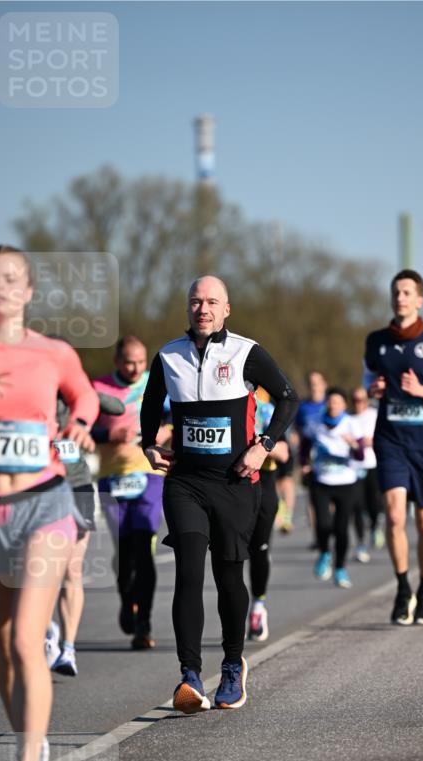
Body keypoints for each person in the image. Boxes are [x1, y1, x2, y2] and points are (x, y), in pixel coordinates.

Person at [0, 245, 99, 761]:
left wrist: (82, 423)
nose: (0, 286)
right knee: (2, 649)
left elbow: (85, 394)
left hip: (43, 503)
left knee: (27, 640)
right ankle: (32, 738)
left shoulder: (54, 352)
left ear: (29, 290)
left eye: (11, 278)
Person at [140, 275, 298, 713]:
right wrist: (148, 444)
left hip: (234, 483)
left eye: (211, 302)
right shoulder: (168, 355)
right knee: (188, 571)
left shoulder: (246, 352)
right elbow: (151, 403)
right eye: (195, 301)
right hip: (186, 482)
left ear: (226, 308)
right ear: (187, 307)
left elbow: (288, 397)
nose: (202, 309)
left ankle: (232, 664)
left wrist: (262, 446)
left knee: (229, 578)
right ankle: (189, 676)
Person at [363, 269, 423, 626]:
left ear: (419, 300)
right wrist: (372, 390)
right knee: (393, 515)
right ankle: (403, 588)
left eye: (406, 292)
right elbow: (367, 377)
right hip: (390, 441)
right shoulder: (376, 340)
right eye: (395, 291)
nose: (400, 297)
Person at [91, 338, 172, 650]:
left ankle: (144, 624)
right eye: (128, 362)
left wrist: (167, 430)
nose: (135, 368)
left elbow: (175, 414)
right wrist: (108, 434)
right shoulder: (97, 388)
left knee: (143, 544)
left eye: (140, 362)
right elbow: (78, 426)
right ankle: (127, 597)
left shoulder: (158, 383)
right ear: (116, 361)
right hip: (112, 476)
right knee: (124, 550)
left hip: (149, 474)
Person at [45, 391, 125, 676]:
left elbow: (116, 406)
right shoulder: (20, 386)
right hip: (34, 488)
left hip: (76, 486)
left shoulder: (69, 389)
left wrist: (83, 392)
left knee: (71, 570)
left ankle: (67, 649)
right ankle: (46, 628)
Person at [301, 387, 363, 588]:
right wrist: (304, 463)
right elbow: (305, 445)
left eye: (338, 402)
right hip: (321, 482)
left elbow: (361, 455)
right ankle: (324, 553)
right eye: (331, 402)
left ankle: (340, 569)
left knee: (342, 528)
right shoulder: (316, 423)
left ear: (344, 405)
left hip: (346, 482)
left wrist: (353, 444)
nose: (334, 406)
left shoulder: (351, 424)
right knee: (323, 524)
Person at [248, 388, 290, 641]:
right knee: (230, 554)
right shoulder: (220, 405)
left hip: (263, 484)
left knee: (259, 550)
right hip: (231, 485)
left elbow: (284, 453)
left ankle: (258, 606)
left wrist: (261, 445)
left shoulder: (267, 410)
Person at [292, 370, 328, 547]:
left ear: (324, 384)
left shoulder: (331, 403)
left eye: (317, 382)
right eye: (311, 383)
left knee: (329, 498)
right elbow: (297, 431)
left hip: (329, 458)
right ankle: (319, 537)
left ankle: (328, 530)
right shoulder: (303, 407)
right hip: (309, 458)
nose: (314, 386)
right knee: (312, 499)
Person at [349, 387, 383, 561]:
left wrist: (372, 441)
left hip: (372, 464)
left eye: (361, 400)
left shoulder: (374, 415)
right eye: (355, 400)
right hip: (353, 468)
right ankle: (361, 544)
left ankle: (375, 526)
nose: (358, 403)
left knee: (374, 504)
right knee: (357, 507)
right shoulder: (348, 418)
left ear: (367, 400)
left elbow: (384, 436)